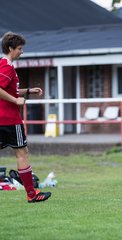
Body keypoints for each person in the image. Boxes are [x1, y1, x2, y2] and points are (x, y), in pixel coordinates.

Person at [0, 32, 52, 203]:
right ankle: (32, 194)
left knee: (22, 153)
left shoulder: (2, 64)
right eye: (20, 49)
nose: (22, 52)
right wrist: (16, 100)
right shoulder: (7, 66)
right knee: (22, 153)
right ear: (10, 48)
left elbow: (9, 89)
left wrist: (28, 91)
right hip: (9, 119)